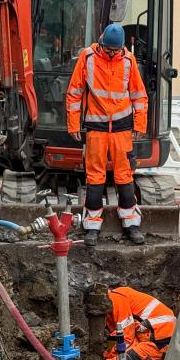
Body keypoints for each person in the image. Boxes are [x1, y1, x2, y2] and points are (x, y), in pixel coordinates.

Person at [66, 23, 148, 247]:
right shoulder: (88, 57)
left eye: (116, 50)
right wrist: (74, 125)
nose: (112, 54)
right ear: (102, 43)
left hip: (122, 128)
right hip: (96, 128)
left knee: (125, 177)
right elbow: (74, 92)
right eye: (109, 50)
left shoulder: (128, 60)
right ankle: (92, 227)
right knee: (95, 178)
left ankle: (131, 224)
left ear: (122, 47)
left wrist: (140, 124)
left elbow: (139, 95)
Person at [85, 283, 176, 360]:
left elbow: (126, 338)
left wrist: (109, 359)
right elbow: (116, 337)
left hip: (159, 338)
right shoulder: (115, 300)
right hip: (152, 334)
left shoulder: (116, 299)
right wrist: (109, 355)